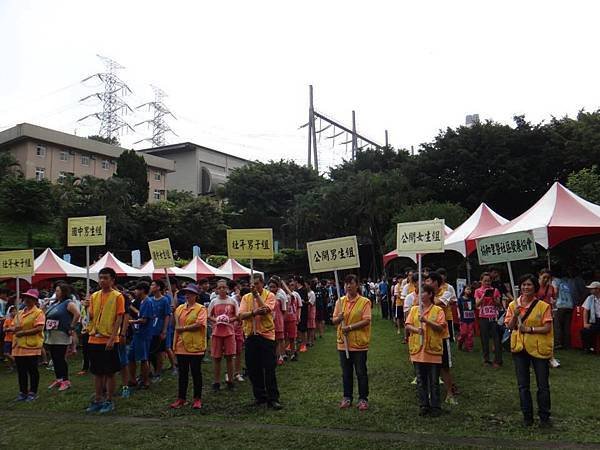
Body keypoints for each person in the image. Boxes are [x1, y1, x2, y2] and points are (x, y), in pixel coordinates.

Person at [504, 274, 553, 427]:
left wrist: (530, 329)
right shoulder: (513, 305)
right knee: (523, 385)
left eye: (529, 285)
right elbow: (509, 327)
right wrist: (515, 316)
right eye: (523, 285)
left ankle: (544, 417)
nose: (526, 287)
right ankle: (527, 417)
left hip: (538, 349)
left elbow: (547, 327)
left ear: (535, 287)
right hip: (519, 348)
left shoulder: (543, 306)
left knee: (542, 385)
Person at [85, 267, 126, 414]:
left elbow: (119, 318)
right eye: (100, 278)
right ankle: (98, 398)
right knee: (97, 372)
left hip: (109, 339)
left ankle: (109, 400)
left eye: (106, 278)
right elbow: (90, 317)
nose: (102, 280)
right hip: (94, 338)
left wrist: (112, 338)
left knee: (109, 372)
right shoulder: (94, 296)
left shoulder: (117, 296)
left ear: (112, 280)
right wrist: (86, 307)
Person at [238, 273, 281, 410]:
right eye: (252, 284)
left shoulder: (270, 295)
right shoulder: (245, 297)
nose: (254, 286)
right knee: (253, 368)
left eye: (257, 283)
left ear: (262, 283)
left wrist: (257, 296)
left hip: (266, 336)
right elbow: (241, 315)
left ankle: (273, 398)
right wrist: (253, 312)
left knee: (269, 368)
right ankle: (259, 396)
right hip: (251, 335)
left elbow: (266, 311)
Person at [405, 283, 447, 416]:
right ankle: (424, 405)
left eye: (422, 292)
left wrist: (426, 321)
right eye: (418, 293)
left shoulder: (438, 310)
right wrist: (416, 330)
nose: (420, 295)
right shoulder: (414, 310)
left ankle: (436, 406)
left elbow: (441, 327)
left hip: (433, 350)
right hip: (418, 350)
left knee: (434, 381)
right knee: (421, 380)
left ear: (430, 294)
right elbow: (408, 325)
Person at [332, 274, 372, 411]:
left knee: (361, 372)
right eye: (346, 284)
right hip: (343, 343)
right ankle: (347, 397)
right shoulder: (340, 301)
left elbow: (366, 320)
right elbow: (334, 321)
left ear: (357, 285)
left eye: (351, 283)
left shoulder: (364, 301)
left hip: (359, 344)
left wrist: (349, 327)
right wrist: (339, 318)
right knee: (346, 372)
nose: (348, 286)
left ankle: (363, 399)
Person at [169, 284, 207, 409]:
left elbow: (200, 324)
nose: (187, 295)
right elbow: (174, 324)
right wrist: (172, 312)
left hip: (195, 347)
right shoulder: (180, 308)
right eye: (186, 293)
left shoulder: (201, 309)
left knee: (196, 373)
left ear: (196, 295)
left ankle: (197, 398)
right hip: (181, 345)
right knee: (182, 374)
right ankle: (181, 398)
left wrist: (183, 329)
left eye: (190, 293)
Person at [426, 271, 458, 405]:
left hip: (442, 335)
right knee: (428, 364)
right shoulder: (424, 293)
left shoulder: (447, 290)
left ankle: (450, 393)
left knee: (444, 366)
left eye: (428, 280)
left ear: (435, 282)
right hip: (428, 334)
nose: (425, 283)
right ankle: (430, 391)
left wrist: (426, 299)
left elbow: (442, 303)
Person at [45, 283, 80, 391]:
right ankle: (59, 378)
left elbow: (77, 314)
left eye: (58, 291)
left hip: (61, 334)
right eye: (55, 291)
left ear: (64, 292)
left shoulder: (68, 303)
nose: (56, 293)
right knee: (55, 358)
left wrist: (72, 326)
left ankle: (65, 380)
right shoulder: (55, 303)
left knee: (60, 358)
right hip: (52, 334)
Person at [12, 290, 45, 401]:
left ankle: (33, 392)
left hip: (31, 346)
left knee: (32, 370)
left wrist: (23, 332)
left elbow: (39, 328)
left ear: (35, 300)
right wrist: (11, 329)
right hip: (18, 346)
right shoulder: (20, 312)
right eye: (25, 297)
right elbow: (14, 326)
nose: (27, 299)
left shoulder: (38, 313)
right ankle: (23, 392)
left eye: (30, 297)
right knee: (21, 371)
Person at [208, 279, 239, 391]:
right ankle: (216, 382)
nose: (222, 289)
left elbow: (237, 315)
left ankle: (230, 381)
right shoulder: (214, 302)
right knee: (216, 358)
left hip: (229, 332)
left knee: (230, 357)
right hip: (216, 333)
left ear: (227, 289)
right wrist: (217, 320)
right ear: (216, 289)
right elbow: (209, 315)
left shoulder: (232, 301)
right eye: (219, 287)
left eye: (224, 287)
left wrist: (228, 320)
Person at [128, 281, 153, 389]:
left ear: (142, 290)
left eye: (137, 289)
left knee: (143, 358)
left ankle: (146, 381)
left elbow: (144, 320)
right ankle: (133, 379)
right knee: (131, 357)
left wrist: (131, 322)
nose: (135, 291)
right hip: (137, 334)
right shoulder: (142, 301)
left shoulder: (147, 302)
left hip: (144, 334)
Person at [475, 272, 503, 367]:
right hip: (483, 317)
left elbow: (499, 304)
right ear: (481, 281)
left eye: (489, 281)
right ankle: (486, 359)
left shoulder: (495, 290)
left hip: (493, 317)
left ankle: (498, 360)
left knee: (496, 339)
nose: (487, 283)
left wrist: (493, 298)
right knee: (484, 338)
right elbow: (477, 304)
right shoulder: (478, 291)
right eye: (485, 281)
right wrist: (483, 296)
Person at [148, 280, 171, 381]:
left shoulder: (164, 300)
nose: (151, 286)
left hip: (159, 329)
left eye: (153, 285)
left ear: (158, 287)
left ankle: (158, 372)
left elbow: (167, 316)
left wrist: (164, 330)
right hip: (150, 330)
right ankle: (150, 370)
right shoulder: (150, 299)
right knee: (150, 352)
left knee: (159, 352)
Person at [267, 277, 287, 366]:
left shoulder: (280, 296)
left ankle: (281, 356)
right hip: (269, 320)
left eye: (274, 287)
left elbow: (284, 310)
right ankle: (274, 356)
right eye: (270, 287)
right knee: (272, 339)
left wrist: (282, 319)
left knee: (280, 339)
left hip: (278, 320)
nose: (272, 289)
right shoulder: (267, 296)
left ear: (277, 287)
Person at [228, 280, 245, 382]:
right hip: (231, 329)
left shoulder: (246, 301)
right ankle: (230, 372)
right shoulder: (232, 300)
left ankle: (237, 372)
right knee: (230, 352)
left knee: (238, 351)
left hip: (239, 329)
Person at [283, 278, 300, 361]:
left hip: (291, 318)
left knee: (292, 337)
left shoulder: (292, 295)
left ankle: (293, 353)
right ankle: (284, 352)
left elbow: (292, 296)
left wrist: (284, 285)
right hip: (283, 319)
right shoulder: (281, 295)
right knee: (283, 337)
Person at [581, 281, 600, 353]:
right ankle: (588, 348)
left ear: (598, 289)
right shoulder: (590, 298)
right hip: (595, 320)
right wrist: (585, 323)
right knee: (584, 331)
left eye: (592, 288)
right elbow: (585, 310)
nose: (590, 290)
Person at [457, 285, 475, 352]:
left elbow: (475, 307)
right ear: (464, 290)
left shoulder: (472, 299)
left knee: (470, 334)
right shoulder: (460, 299)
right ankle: (460, 343)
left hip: (471, 318)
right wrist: (459, 315)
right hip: (463, 319)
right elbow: (458, 307)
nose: (469, 291)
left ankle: (469, 347)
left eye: (470, 289)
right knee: (463, 333)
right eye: (467, 289)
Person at [296, 276, 309, 352]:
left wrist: (302, 301)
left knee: (303, 328)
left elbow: (306, 300)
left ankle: (304, 344)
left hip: (303, 311)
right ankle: (301, 343)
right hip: (298, 311)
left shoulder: (303, 290)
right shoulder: (296, 290)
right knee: (299, 328)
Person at [3, 306, 16, 370]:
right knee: (6, 353)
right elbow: (4, 329)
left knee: (11, 353)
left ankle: (11, 367)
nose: (14, 313)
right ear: (10, 312)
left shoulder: (17, 320)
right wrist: (9, 329)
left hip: (15, 339)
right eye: (13, 311)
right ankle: (15, 361)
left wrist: (12, 329)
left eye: (15, 311)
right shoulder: (7, 320)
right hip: (7, 339)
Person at [307, 280, 317, 346]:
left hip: (311, 311)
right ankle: (308, 341)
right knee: (308, 327)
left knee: (311, 327)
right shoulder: (306, 293)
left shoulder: (312, 293)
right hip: (307, 312)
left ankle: (312, 341)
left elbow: (310, 303)